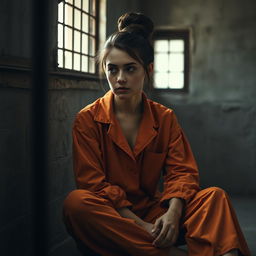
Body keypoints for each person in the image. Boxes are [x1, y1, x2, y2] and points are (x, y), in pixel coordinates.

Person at [63, 12, 251, 256]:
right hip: (114, 217)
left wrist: (172, 215)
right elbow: (94, 185)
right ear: (105, 70)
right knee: (76, 204)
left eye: (130, 69)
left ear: (147, 69)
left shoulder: (164, 117)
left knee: (214, 198)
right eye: (112, 69)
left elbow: (182, 172)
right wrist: (142, 226)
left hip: (157, 213)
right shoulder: (87, 120)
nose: (120, 79)